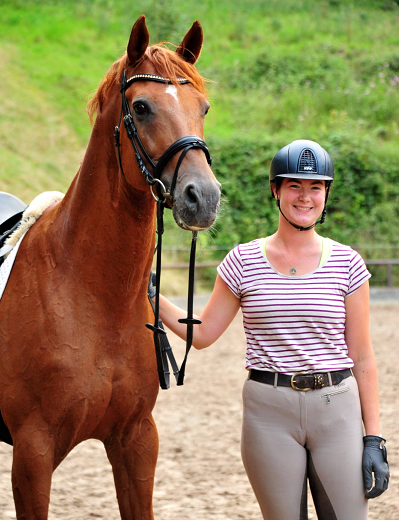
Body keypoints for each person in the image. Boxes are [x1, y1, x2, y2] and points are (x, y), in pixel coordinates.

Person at [156, 139, 389, 519]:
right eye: (294, 185)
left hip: (337, 410)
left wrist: (374, 438)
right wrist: (152, 296)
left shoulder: (347, 263)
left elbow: (362, 356)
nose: (305, 197)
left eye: (316, 187)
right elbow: (203, 333)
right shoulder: (243, 261)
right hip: (269, 414)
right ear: (275, 189)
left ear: (326, 194)